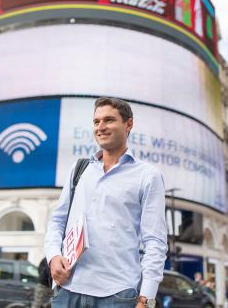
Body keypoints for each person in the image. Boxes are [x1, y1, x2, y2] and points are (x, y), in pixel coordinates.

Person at [45, 97, 168, 308]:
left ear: (128, 124)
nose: (100, 127)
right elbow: (57, 221)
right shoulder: (79, 169)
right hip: (68, 291)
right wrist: (54, 256)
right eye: (96, 122)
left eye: (109, 120)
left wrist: (146, 298)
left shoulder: (148, 176)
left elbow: (155, 241)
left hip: (117, 295)